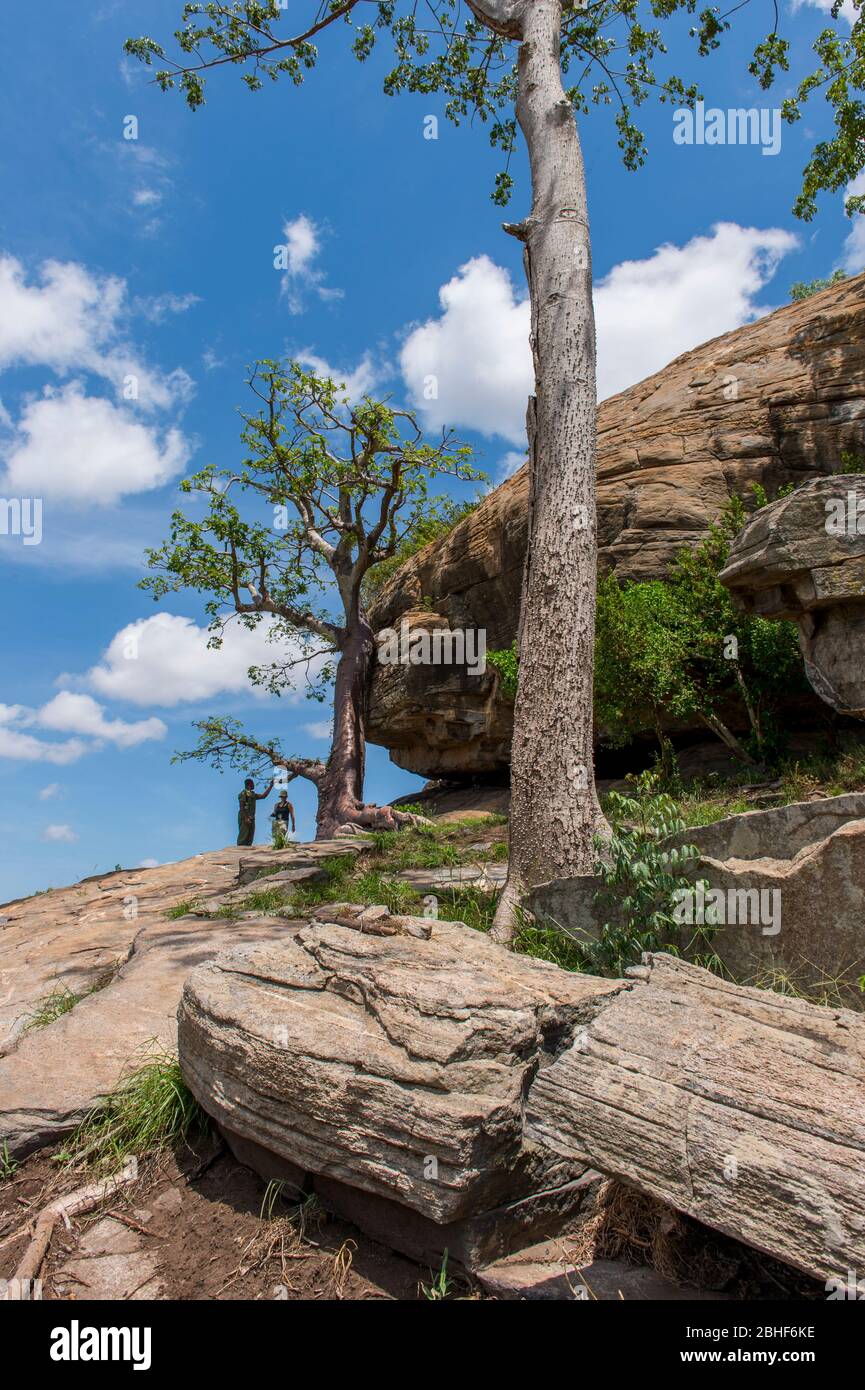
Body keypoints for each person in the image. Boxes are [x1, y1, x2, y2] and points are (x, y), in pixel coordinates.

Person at [237, 776, 273, 847]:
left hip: (251, 817)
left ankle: (247, 851)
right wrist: (246, 818)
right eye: (252, 783)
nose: (254, 785)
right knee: (243, 835)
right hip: (244, 817)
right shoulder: (243, 793)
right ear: (249, 784)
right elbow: (241, 807)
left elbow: (263, 796)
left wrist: (270, 786)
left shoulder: (252, 794)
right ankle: (239, 851)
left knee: (250, 836)